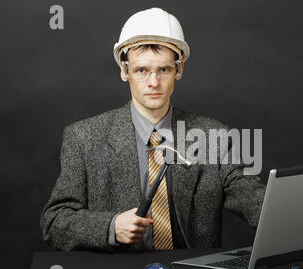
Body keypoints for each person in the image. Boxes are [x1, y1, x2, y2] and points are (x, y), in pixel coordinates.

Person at [40, 8, 266, 251]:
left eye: (164, 70)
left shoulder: (215, 137)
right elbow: (54, 222)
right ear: (124, 71)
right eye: (141, 70)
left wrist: (297, 213)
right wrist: (110, 226)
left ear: (179, 70)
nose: (153, 82)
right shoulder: (83, 138)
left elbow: (254, 200)